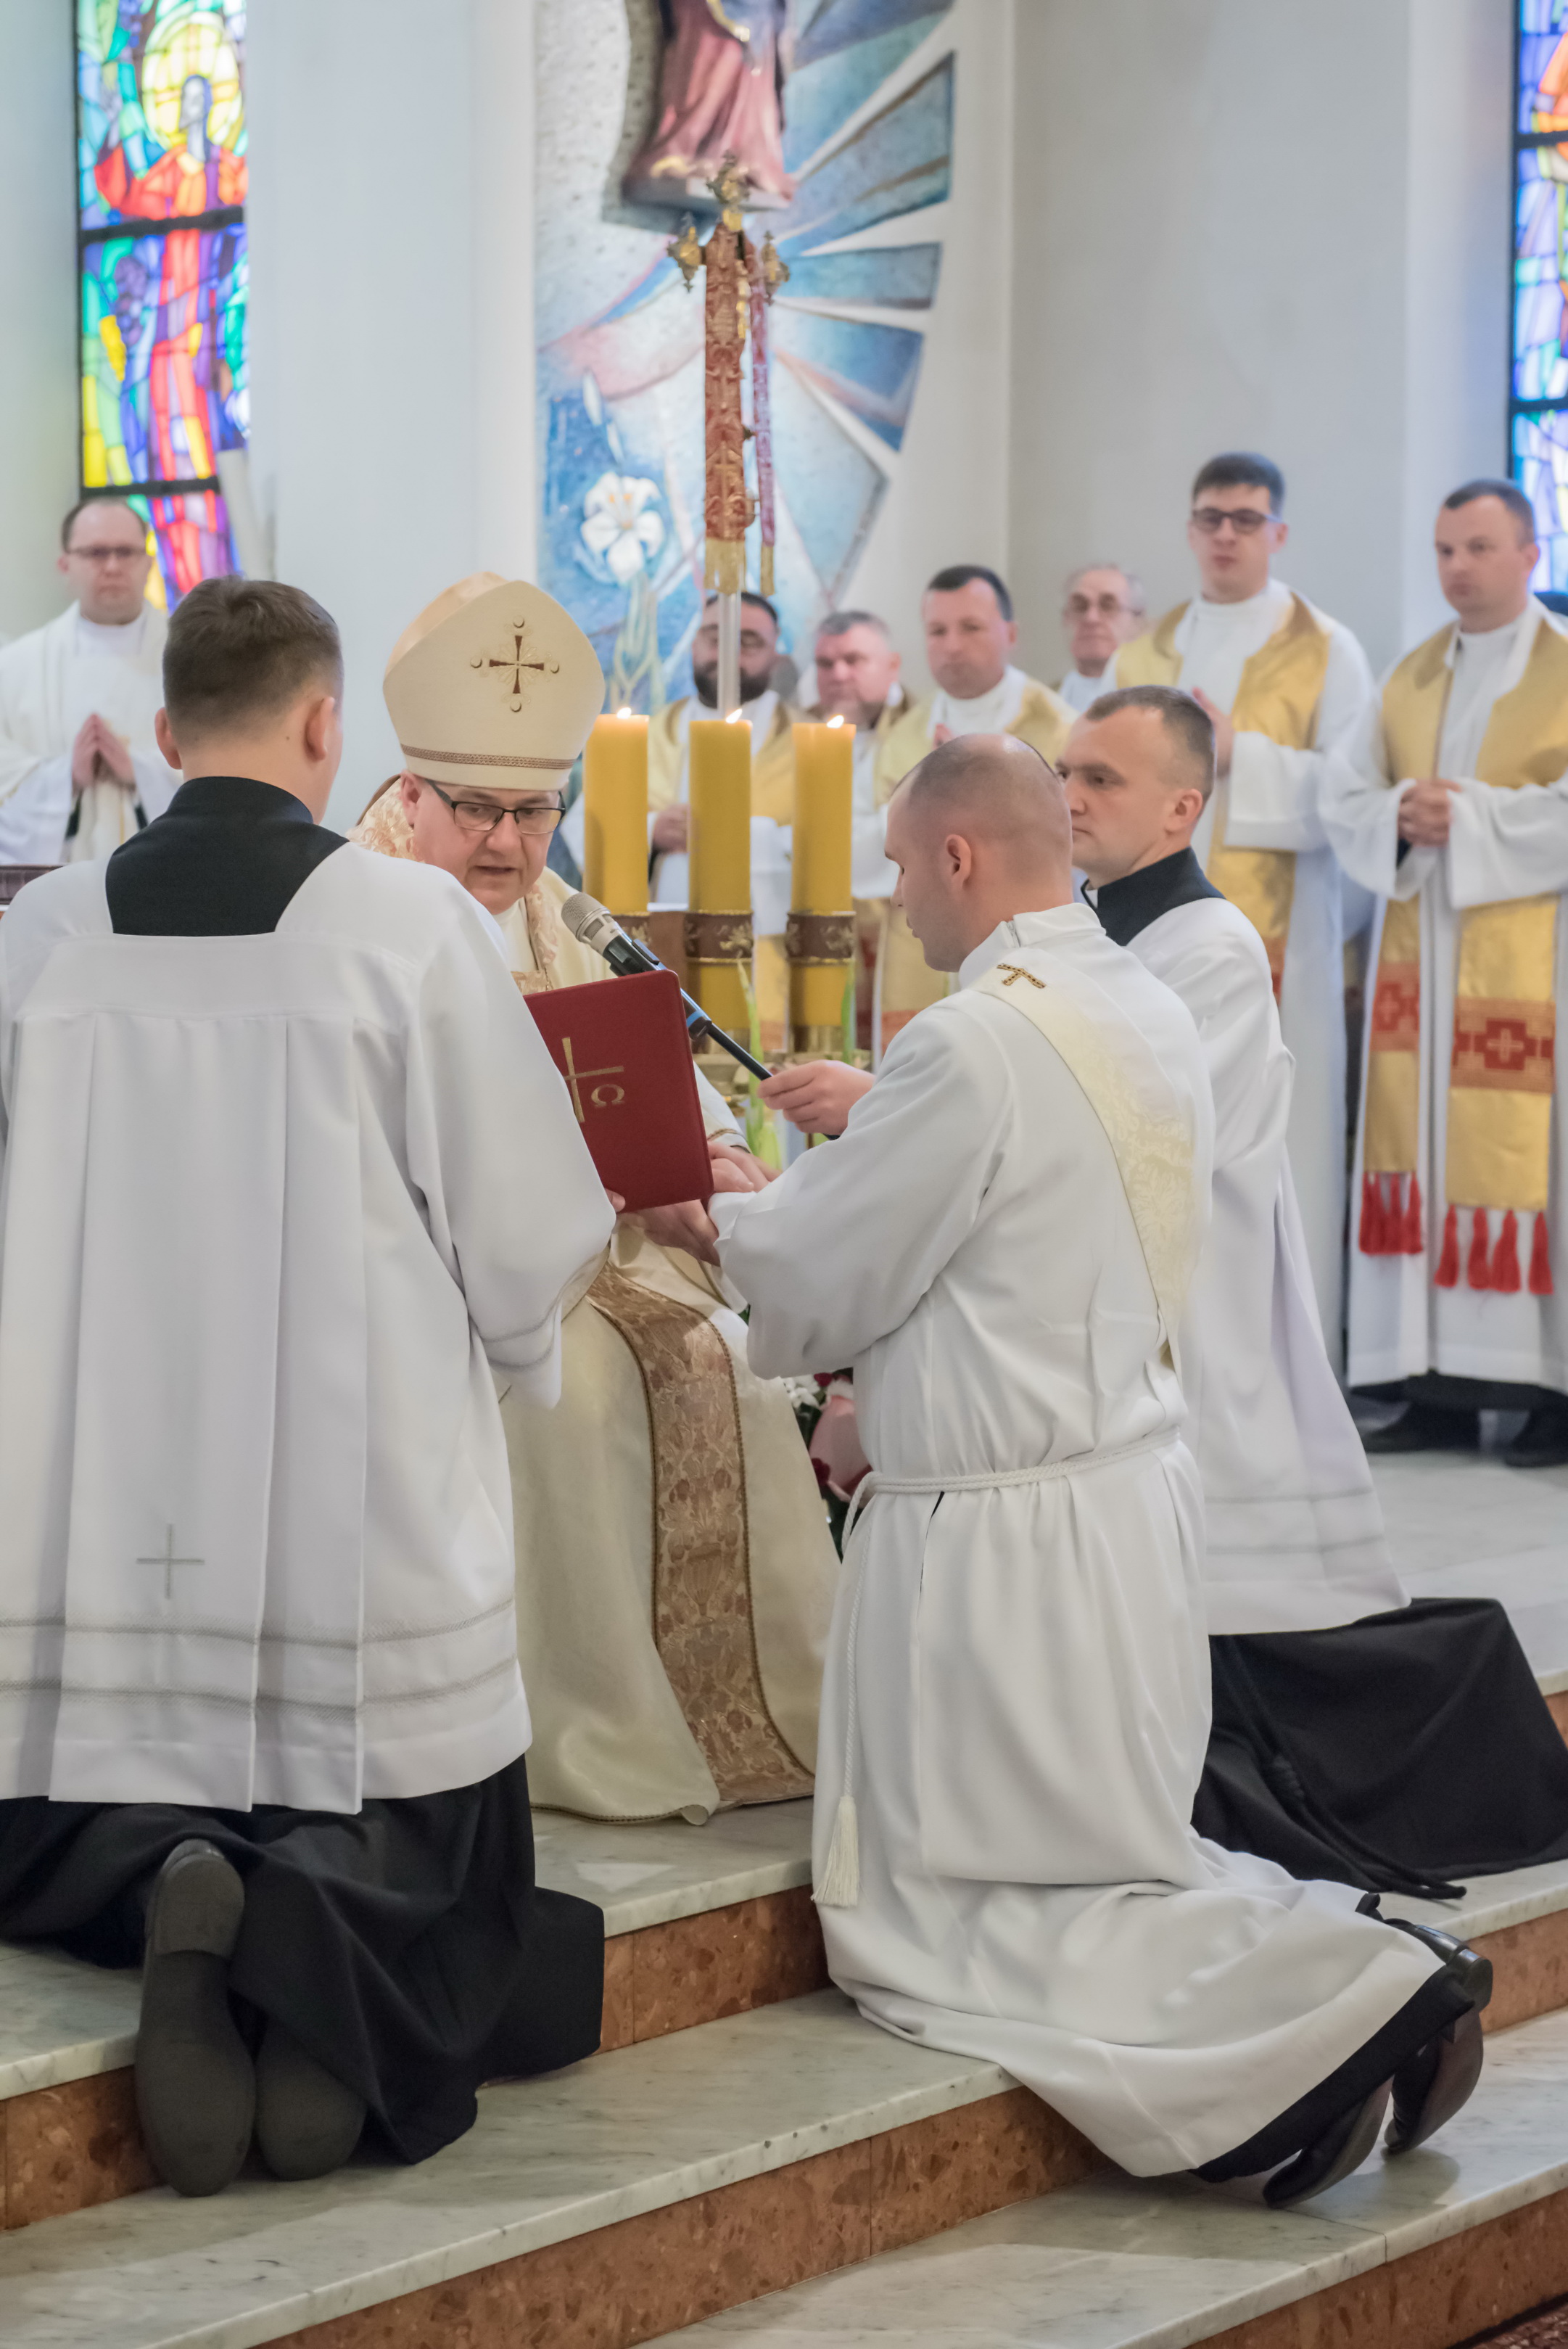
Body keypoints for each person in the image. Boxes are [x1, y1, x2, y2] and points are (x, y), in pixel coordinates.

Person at [706, 733, 1489, 2204]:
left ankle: (1325, 2021)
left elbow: (824, 1271)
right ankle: (1376, 1956)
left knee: (975, 1910)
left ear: (957, 857)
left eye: (900, 862)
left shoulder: (973, 1037)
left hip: (997, 1542)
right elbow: (1010, 1221)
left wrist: (729, 1211)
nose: (894, 894)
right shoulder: (1136, 996)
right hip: (1124, 1504)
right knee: (1119, 1853)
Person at [0, 578, 611, 2200]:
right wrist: (520, 1345)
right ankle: (319, 1924)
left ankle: (170, 1877)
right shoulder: (406, 928)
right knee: (413, 1815)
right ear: (329, 725)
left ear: (162, 726)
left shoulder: (42, 935)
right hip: (359, 1510)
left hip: (100, 1503)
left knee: (79, 1787)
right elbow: (527, 1226)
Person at [1066, 683, 1568, 1892]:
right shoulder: (1087, 930)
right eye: (1064, 774)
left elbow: (1139, 1133)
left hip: (1198, 1310)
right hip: (1129, 1298)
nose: (1069, 797)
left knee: (1246, 1623)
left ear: (1181, 807)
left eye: (1101, 779)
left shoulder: (1206, 945)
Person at [358, 574, 835, 1825]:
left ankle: (746, 1714)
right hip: (440, 1274)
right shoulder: (359, 913)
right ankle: (585, 1722)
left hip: (592, 1250)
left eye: (533, 811)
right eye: (477, 810)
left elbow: (650, 1057)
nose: (507, 844)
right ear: (411, 794)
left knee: (727, 1357)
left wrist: (709, 1160)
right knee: (575, 1395)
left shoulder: (557, 914)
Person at [1325, 480, 1568, 1470]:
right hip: (1419, 962)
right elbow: (1343, 793)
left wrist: (1461, 817)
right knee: (1414, 1154)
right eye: (1442, 549)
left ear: (1529, 554)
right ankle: (1430, 1389)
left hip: (1537, 962)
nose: (1455, 567)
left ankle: (1550, 1392)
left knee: (1540, 1162)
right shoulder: (1408, 675)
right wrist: (1394, 815)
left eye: (1476, 547)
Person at [1115, 454, 1377, 1352]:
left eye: (1244, 519)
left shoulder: (1327, 648)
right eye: (1209, 518)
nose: (1224, 535)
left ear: (1277, 533)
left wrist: (1237, 757)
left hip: (1284, 954)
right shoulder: (1144, 653)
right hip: (1151, 942)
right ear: (1189, 529)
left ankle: (1290, 1353)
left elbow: (1352, 795)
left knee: (1280, 1145)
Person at [560, 589, 799, 1048]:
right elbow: (586, 827)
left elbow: (840, 846)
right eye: (713, 637)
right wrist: (652, 830)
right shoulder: (649, 735)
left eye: (748, 641)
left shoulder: (804, 741)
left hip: (766, 953)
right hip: (661, 946)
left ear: (776, 654)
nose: (727, 654)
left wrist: (738, 836)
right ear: (694, 644)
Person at [872, 566, 1073, 1049]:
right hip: (916, 943)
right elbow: (878, 847)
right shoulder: (903, 733)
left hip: (1019, 944)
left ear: (1010, 634)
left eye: (971, 628)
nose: (952, 646)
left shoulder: (1058, 727)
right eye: (937, 631)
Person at [0, 498, 178, 865]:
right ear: (65, 564)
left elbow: (227, 764)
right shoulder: (15, 666)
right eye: (96, 553)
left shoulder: (197, 659)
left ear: (148, 562)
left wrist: (140, 772)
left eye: (126, 552)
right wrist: (65, 776)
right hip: (54, 880)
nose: (112, 566)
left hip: (166, 875)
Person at [812, 609, 904, 1045]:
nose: (838, 674)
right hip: (819, 926)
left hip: (898, 920)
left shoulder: (920, 732)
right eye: (825, 663)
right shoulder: (796, 736)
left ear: (892, 666)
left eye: (854, 660)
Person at [1055, 563, 1146, 713]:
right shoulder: (1040, 704)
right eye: (1080, 606)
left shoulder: (1158, 704)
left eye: (1108, 606)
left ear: (1138, 621)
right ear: (1065, 618)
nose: (1091, 618)